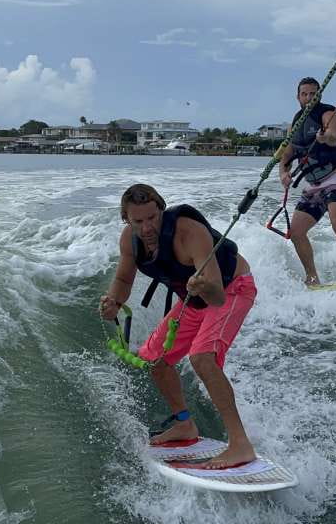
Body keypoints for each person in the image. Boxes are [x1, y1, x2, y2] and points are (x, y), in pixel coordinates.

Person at [99, 183, 257, 468]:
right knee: (155, 359)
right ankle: (185, 424)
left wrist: (203, 285)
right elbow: (123, 280)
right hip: (191, 300)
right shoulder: (130, 240)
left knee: (202, 358)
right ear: (126, 219)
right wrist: (114, 302)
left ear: (162, 209)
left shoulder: (190, 233)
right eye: (138, 221)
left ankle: (240, 445)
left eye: (152, 217)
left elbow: (217, 297)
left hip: (232, 289)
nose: (147, 227)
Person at [279, 76, 336, 286]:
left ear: (319, 95)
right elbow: (286, 156)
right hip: (313, 185)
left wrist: (325, 137)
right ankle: (312, 278)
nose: (308, 98)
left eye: (313, 94)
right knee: (296, 232)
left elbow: (334, 136)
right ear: (298, 97)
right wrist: (283, 174)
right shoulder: (295, 124)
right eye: (304, 94)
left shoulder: (328, 114)